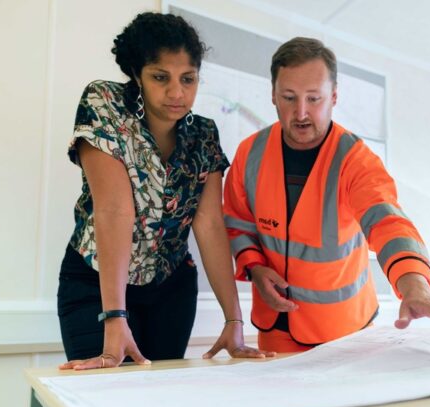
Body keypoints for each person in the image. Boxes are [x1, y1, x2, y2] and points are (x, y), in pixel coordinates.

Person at [223, 37, 430, 353]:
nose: (301, 112)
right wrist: (254, 266)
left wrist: (415, 286)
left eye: (314, 98)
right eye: (289, 98)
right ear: (273, 96)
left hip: (344, 333)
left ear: (334, 97)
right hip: (274, 327)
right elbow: (238, 223)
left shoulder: (357, 160)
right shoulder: (249, 153)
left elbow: (388, 223)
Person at [58, 12, 274, 371]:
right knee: (106, 400)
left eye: (188, 79)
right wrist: (114, 316)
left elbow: (208, 225)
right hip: (96, 285)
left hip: (171, 290)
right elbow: (115, 210)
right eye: (160, 77)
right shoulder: (105, 104)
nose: (177, 92)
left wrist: (234, 322)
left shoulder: (203, 134)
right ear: (137, 75)